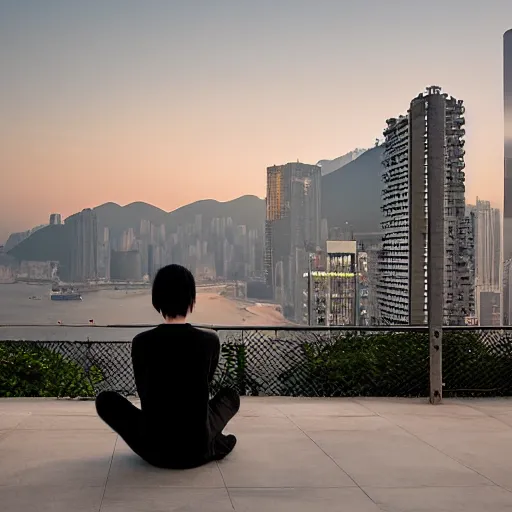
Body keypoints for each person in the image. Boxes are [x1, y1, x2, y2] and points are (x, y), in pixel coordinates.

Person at [95, 264, 240, 469]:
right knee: (230, 396)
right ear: (191, 299)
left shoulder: (141, 342)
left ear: (157, 299)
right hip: (196, 448)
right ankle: (211, 441)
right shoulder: (209, 340)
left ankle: (199, 438)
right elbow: (205, 382)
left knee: (105, 400)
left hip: (155, 450)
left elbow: (143, 389)